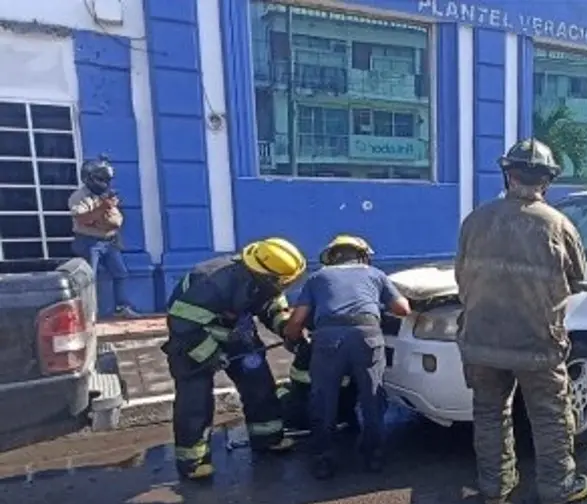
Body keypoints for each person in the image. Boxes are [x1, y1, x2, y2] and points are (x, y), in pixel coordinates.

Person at [455, 138, 587, 504]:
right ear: (545, 182)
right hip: (536, 342)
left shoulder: (475, 221)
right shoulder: (558, 224)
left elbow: (461, 276)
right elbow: (577, 279)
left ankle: (495, 488)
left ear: (508, 174)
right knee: (548, 415)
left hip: (481, 341)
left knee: (489, 414)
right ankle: (557, 487)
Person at [161, 237, 306, 481]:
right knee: (195, 399)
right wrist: (212, 356)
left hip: (239, 335)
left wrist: (286, 329)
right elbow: (183, 325)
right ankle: (193, 460)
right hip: (193, 341)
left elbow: (272, 308)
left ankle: (267, 438)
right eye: (283, 281)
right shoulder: (211, 281)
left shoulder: (264, 282)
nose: (286, 285)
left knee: (259, 384)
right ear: (266, 274)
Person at [283, 235, 410, 480]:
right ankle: (373, 457)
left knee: (323, 398)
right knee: (372, 397)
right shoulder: (375, 274)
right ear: (362, 255)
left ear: (331, 257)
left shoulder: (318, 278)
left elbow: (296, 321)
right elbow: (403, 310)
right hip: (368, 337)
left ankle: (323, 459)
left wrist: (292, 339)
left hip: (328, 340)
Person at [69, 155, 138, 318]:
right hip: (89, 242)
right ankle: (88, 313)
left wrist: (104, 213)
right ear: (89, 178)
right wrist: (102, 209)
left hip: (110, 241)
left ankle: (121, 307)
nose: (105, 183)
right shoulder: (78, 197)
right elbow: (82, 219)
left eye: (107, 180)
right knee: (88, 278)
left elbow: (116, 220)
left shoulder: (104, 195)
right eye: (101, 179)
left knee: (121, 273)